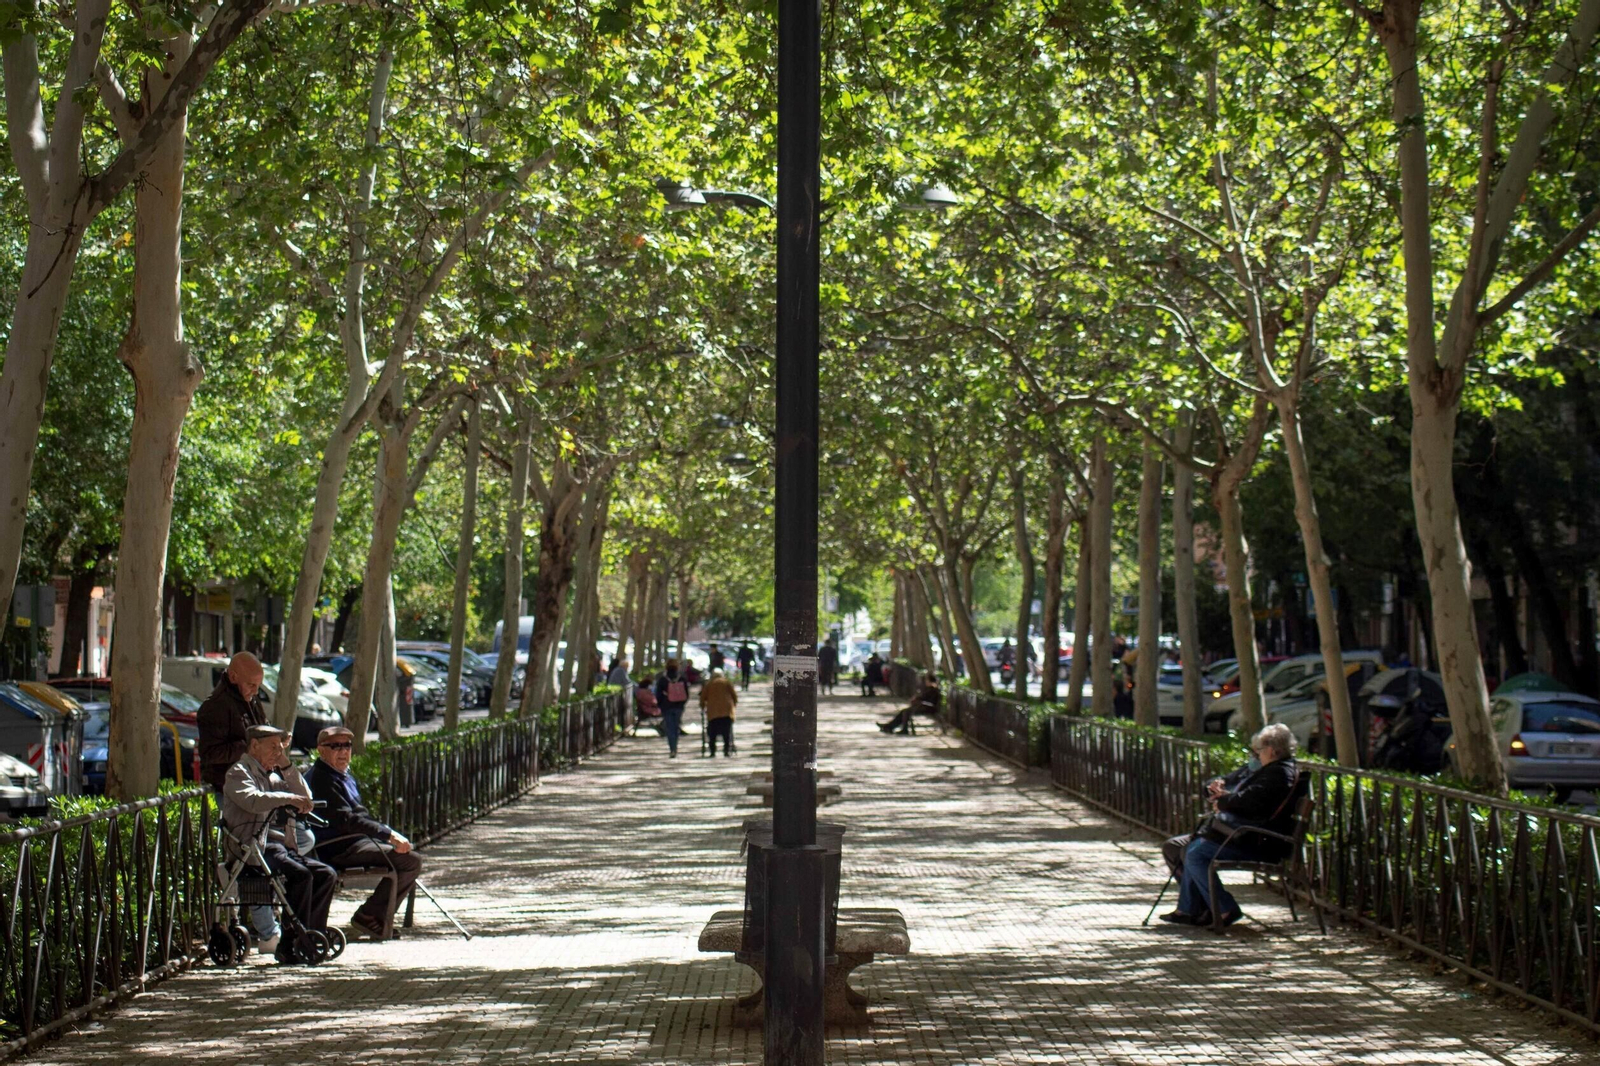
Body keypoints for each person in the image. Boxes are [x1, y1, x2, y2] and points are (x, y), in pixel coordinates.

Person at [1160, 723, 1303, 928]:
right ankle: (1195, 909)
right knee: (1181, 847)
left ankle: (1223, 908)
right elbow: (1236, 790)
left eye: (1259, 750)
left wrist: (1224, 800)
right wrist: (1216, 788)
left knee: (1194, 853)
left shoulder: (1279, 773)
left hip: (1258, 841)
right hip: (1241, 834)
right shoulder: (1267, 769)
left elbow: (1250, 801)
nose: (1255, 755)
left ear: (1271, 750)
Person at [222, 725, 337, 964]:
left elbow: (306, 797)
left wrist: (285, 764)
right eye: (273, 746)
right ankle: (290, 942)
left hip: (272, 846)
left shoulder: (272, 774)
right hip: (250, 849)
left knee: (326, 874)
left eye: (281, 747)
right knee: (301, 875)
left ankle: (309, 934)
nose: (278, 751)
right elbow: (252, 800)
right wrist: (288, 798)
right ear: (254, 745)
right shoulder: (239, 772)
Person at [305, 725, 421, 940]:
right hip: (338, 846)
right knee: (410, 861)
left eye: (347, 746)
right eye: (336, 746)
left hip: (356, 840)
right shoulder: (322, 778)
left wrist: (387, 833)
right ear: (321, 750)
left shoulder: (342, 774)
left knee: (407, 855)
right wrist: (389, 835)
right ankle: (370, 916)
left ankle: (373, 915)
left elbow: (359, 815)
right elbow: (348, 820)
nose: (343, 751)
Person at [198, 652, 267, 792]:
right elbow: (210, 753)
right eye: (251, 685)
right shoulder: (215, 706)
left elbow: (261, 728)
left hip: (253, 783)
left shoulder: (250, 699)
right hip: (230, 789)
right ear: (234, 677)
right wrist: (248, 748)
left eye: (258, 685)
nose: (255, 691)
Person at [654, 658, 691, 758]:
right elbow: (686, 694)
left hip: (667, 706)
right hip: (678, 706)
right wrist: (682, 703)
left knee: (670, 728)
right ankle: (675, 746)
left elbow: (658, 695)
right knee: (676, 727)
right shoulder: (682, 678)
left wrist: (661, 705)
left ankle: (672, 749)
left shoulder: (662, 679)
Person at [699, 668, 738, 756]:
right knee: (726, 732)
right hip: (726, 712)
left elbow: (703, 697)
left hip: (713, 713)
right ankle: (726, 750)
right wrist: (734, 705)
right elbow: (734, 695)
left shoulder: (709, 684)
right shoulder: (726, 682)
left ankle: (713, 751)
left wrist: (702, 706)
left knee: (712, 733)